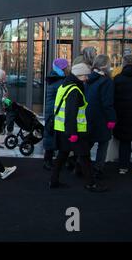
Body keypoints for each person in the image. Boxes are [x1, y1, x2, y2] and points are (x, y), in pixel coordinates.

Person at [50, 62, 107, 192]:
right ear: (80, 76)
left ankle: (53, 181)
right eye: (86, 76)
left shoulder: (64, 86)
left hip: (62, 129)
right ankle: (91, 184)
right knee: (85, 156)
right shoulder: (75, 90)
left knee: (62, 155)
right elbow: (71, 113)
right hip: (74, 131)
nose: (87, 78)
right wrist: (73, 133)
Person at [85, 55, 116, 179]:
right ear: (105, 66)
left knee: (89, 142)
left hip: (89, 116)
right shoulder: (106, 81)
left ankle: (80, 165)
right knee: (103, 144)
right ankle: (98, 169)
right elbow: (107, 103)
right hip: (102, 117)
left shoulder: (89, 79)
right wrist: (112, 119)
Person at [43, 59, 69, 170]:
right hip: (55, 112)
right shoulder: (60, 81)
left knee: (51, 134)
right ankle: (48, 161)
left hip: (53, 111)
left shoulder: (54, 78)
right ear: (62, 68)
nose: (69, 68)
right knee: (52, 135)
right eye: (67, 66)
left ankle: (49, 160)